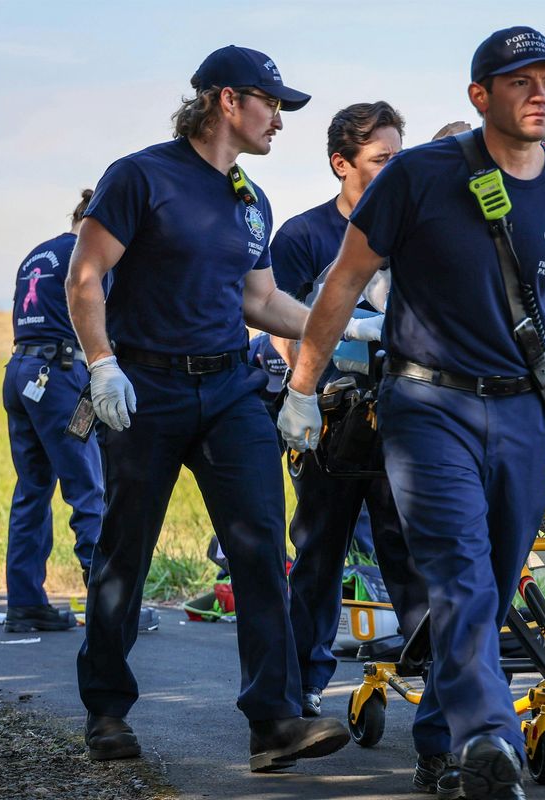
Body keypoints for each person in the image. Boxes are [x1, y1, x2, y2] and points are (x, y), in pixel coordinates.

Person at [279, 26, 545, 800]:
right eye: (523, 81)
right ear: (481, 96)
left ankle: (440, 745)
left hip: (523, 412)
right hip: (427, 405)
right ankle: (490, 733)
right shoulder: (416, 177)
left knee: (495, 576)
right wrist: (301, 388)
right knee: (459, 575)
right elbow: (345, 282)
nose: (542, 93)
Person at [66, 44, 373, 772]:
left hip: (231, 388)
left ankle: (274, 720)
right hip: (146, 387)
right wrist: (102, 366)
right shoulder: (141, 177)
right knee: (124, 553)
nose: (281, 121)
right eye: (273, 104)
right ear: (227, 102)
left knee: (263, 546)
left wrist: (344, 327)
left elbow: (259, 300)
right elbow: (84, 275)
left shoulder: (250, 200)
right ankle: (107, 710)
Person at [271, 101, 427, 721]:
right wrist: (302, 392)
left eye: (399, 158)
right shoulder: (304, 236)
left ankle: (434, 682)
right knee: (318, 554)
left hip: (403, 419)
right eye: (381, 160)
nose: (394, 171)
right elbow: (277, 322)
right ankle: (302, 684)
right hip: (328, 423)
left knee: (410, 554)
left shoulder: (412, 234)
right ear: (342, 164)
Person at [1, 190, 102, 633]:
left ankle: (24, 603)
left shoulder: (37, 253)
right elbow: (103, 316)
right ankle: (107, 602)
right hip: (59, 378)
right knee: (88, 487)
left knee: (32, 490)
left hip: (21, 371)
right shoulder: (87, 253)